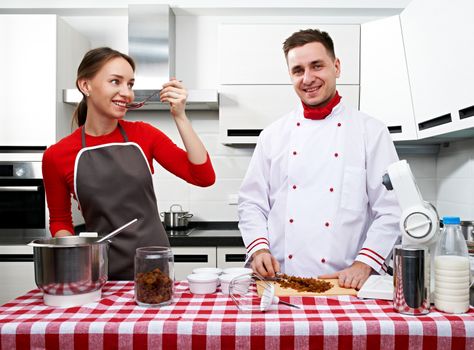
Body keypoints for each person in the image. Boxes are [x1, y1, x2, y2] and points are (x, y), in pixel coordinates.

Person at [238, 29, 401, 290]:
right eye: (298, 70)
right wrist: (259, 249)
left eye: (317, 66)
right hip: (282, 281)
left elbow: (391, 209)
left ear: (336, 67)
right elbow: (251, 204)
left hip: (345, 283)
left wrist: (365, 263)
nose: (308, 78)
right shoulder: (272, 135)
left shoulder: (371, 132)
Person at [42, 47, 215, 280]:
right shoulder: (57, 155)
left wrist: (180, 116)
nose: (127, 93)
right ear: (86, 86)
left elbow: (203, 177)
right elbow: (60, 220)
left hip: (154, 266)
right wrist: (75, 260)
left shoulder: (144, 135)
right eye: (116, 82)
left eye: (130, 84)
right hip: (99, 270)